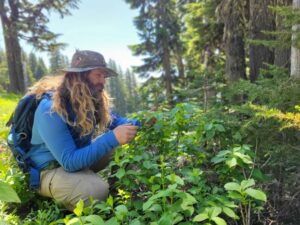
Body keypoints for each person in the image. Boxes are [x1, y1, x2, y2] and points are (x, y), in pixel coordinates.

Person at [26, 50, 139, 211]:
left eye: (104, 77)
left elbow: (117, 122)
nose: (103, 82)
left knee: (123, 147)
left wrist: (141, 122)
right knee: (98, 193)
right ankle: (79, 191)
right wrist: (112, 138)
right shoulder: (50, 109)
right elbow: (70, 162)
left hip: (75, 161)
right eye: (98, 75)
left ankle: (91, 183)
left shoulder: (89, 98)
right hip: (48, 171)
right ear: (79, 76)